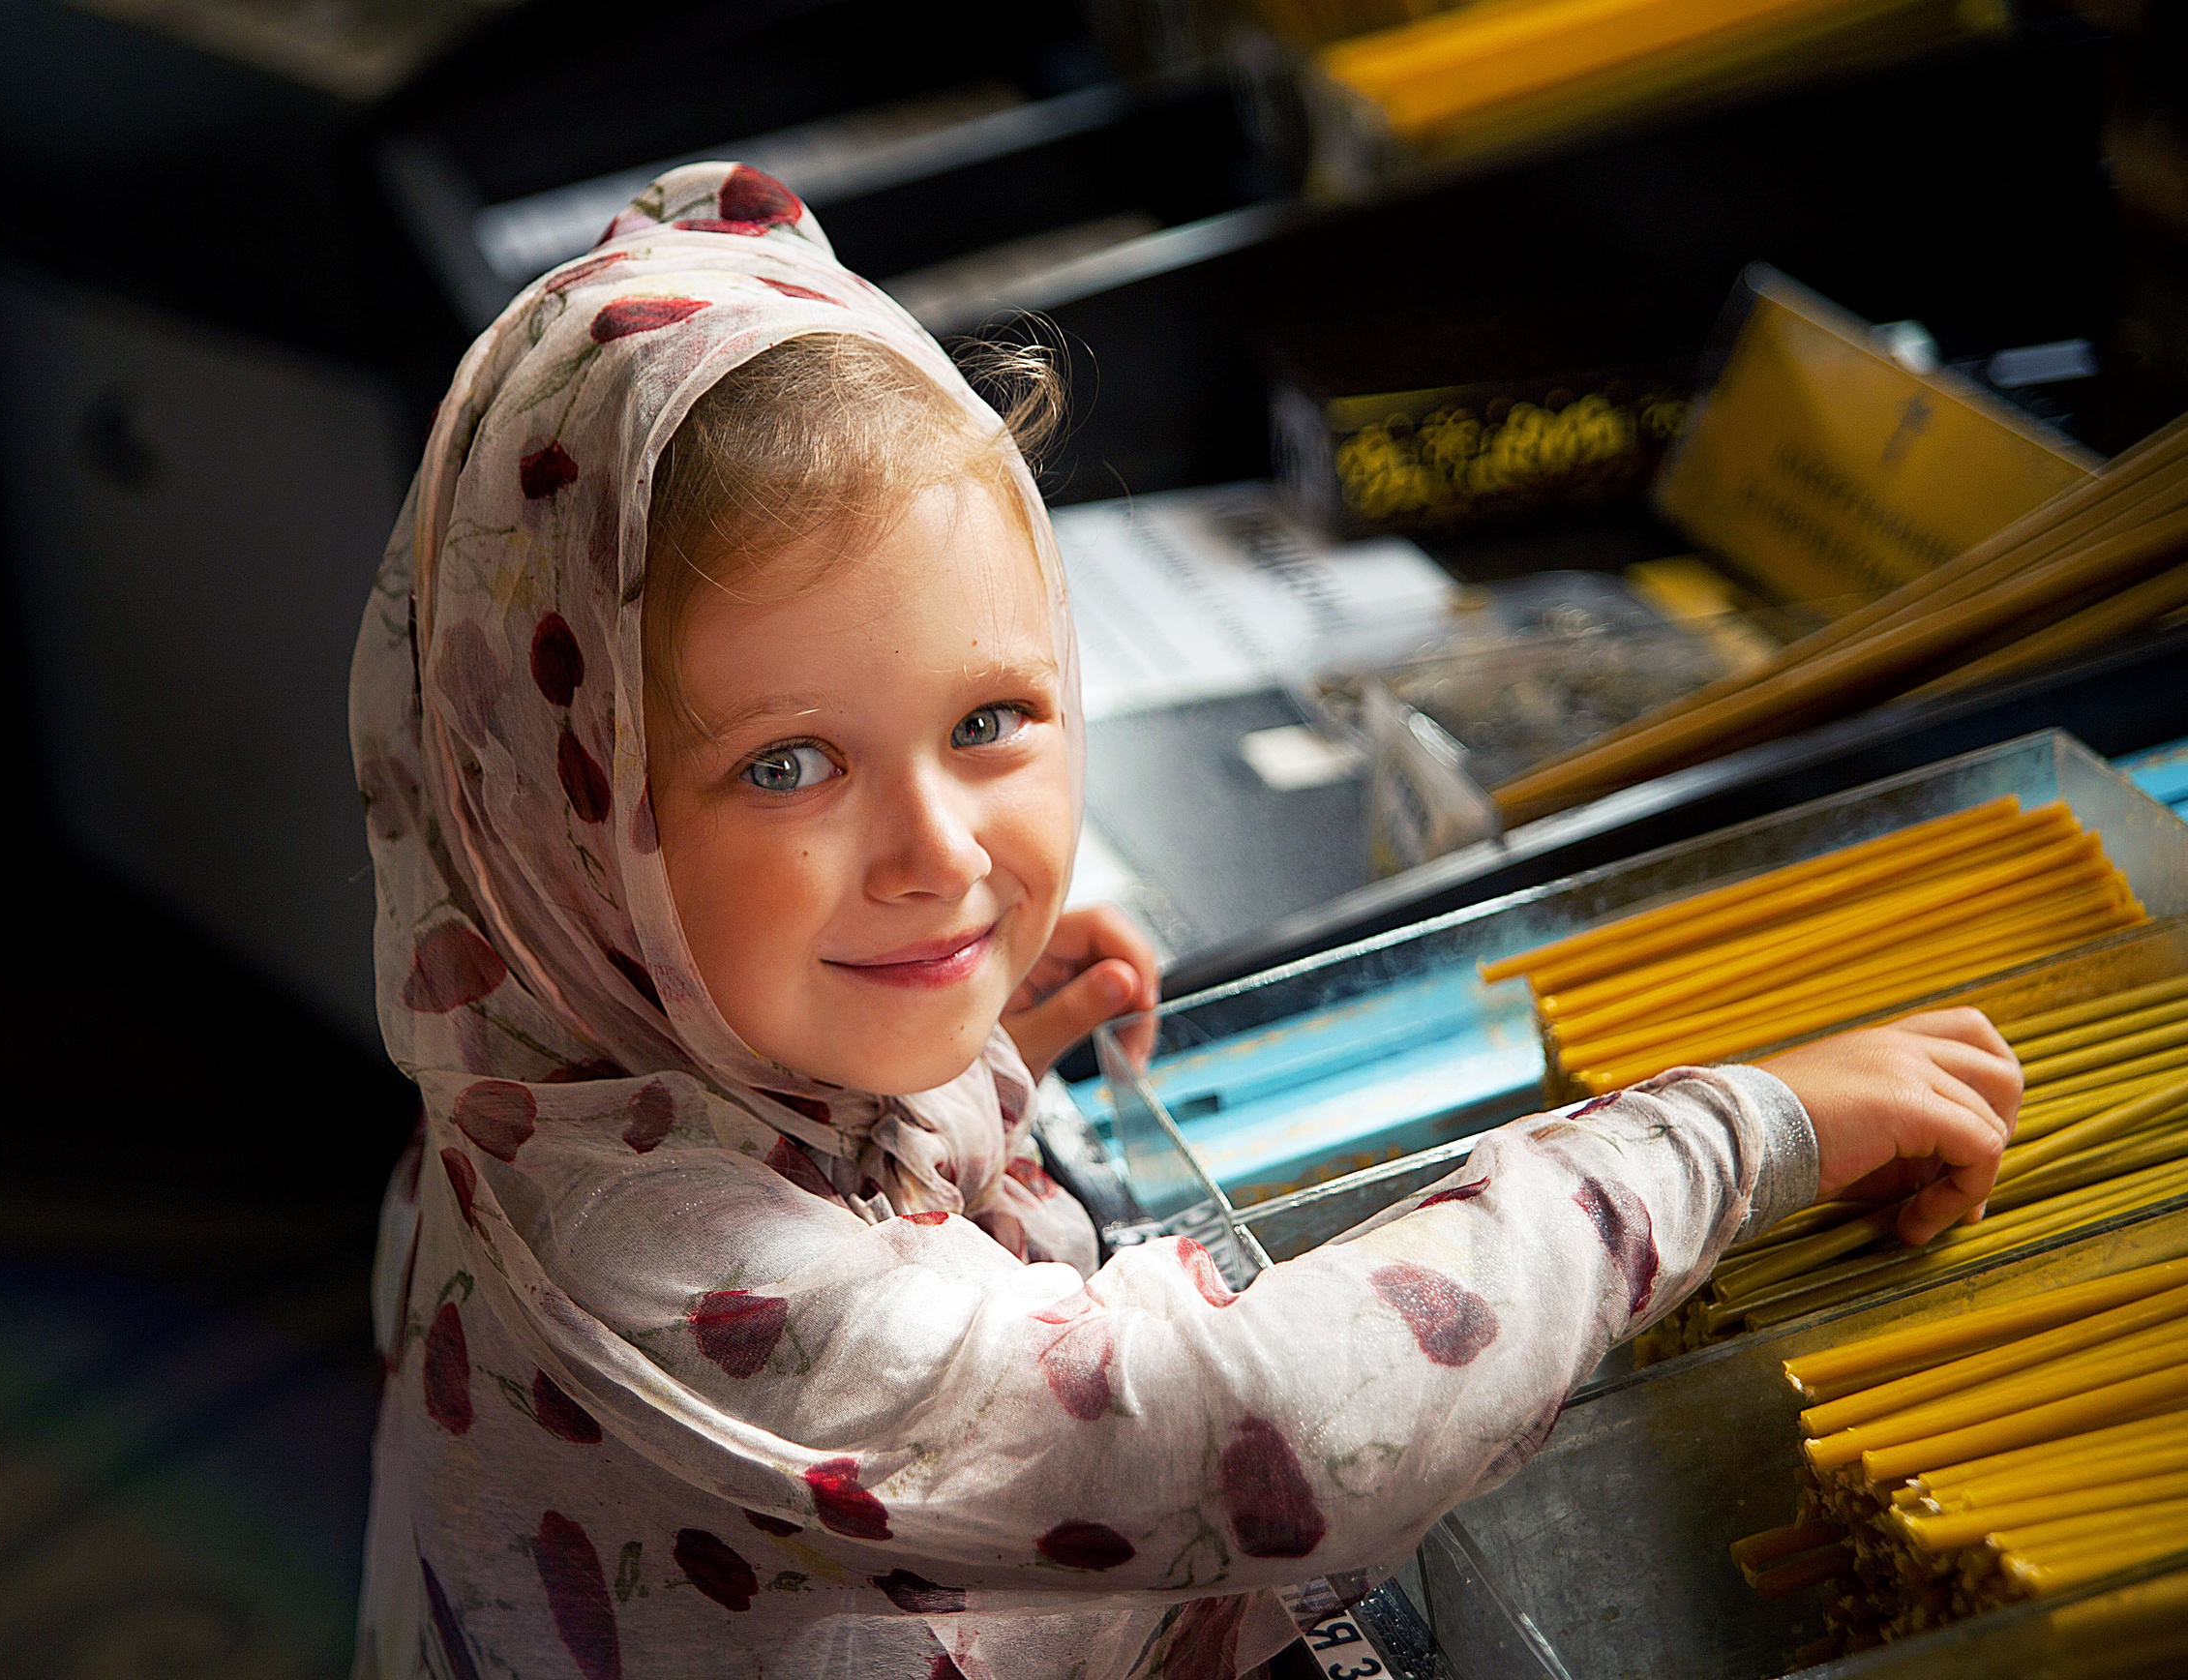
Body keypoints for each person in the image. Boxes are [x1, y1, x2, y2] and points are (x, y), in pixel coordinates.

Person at [346, 163, 2022, 1680]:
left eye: (992, 719)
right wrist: (1733, 1134)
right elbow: (1258, 1425)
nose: (939, 854)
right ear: (552, 820)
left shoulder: (536, 1061)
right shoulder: (653, 1269)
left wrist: (969, 1040)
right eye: (788, 765)